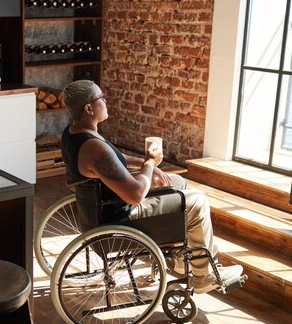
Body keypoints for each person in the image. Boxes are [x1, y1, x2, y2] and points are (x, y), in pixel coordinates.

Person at [60, 80, 242, 293]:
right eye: (101, 98)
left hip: (104, 205)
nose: (106, 101)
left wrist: (144, 165)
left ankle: (185, 262)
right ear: (89, 108)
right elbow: (136, 195)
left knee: (177, 182)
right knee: (197, 200)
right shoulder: (94, 146)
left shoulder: (74, 133)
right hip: (120, 216)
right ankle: (203, 275)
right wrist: (149, 162)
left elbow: (113, 161)